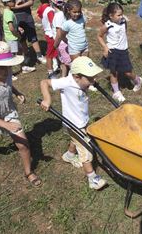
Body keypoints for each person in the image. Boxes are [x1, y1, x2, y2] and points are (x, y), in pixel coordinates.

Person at [0, 41, 42, 187]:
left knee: (24, 144)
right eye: (2, 68)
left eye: (8, 66)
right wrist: (6, 125)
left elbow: (8, 85)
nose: (6, 71)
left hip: (9, 113)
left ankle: (28, 172)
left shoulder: (7, 73)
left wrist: (17, 92)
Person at [39, 56, 107, 190]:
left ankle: (69, 155)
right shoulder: (67, 82)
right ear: (77, 77)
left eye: (93, 77)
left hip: (82, 120)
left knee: (76, 140)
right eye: (90, 78)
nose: (93, 81)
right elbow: (44, 82)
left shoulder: (80, 81)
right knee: (86, 150)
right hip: (74, 123)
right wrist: (47, 100)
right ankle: (92, 178)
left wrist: (90, 81)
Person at [97, 3, 142, 103]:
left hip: (123, 51)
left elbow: (123, 33)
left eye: (122, 14)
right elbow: (99, 36)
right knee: (113, 72)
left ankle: (137, 80)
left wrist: (124, 44)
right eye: (118, 15)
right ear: (111, 16)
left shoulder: (123, 21)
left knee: (127, 72)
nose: (121, 16)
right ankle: (116, 92)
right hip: (112, 51)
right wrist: (105, 47)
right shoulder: (107, 26)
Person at [6, 0, 46, 66]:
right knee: (22, 39)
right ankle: (27, 55)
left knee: (33, 37)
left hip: (27, 17)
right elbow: (6, 4)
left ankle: (39, 56)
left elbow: (31, 2)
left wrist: (20, 6)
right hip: (16, 19)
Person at [1, 0, 35, 77]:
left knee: (20, 51)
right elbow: (11, 27)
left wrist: (18, 28)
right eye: (13, 1)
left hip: (14, 37)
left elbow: (12, 25)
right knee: (11, 55)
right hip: (12, 38)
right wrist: (17, 34)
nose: (15, 2)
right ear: (7, 2)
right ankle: (9, 73)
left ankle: (23, 67)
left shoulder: (8, 11)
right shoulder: (8, 13)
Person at [36, 0, 59, 78]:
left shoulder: (41, 8)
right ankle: (50, 72)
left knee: (53, 52)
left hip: (47, 33)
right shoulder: (50, 10)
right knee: (49, 54)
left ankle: (55, 66)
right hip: (51, 34)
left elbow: (39, 14)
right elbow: (53, 22)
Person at [49, 0, 71, 77]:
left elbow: (59, 33)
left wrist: (55, 45)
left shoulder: (58, 15)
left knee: (70, 64)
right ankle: (63, 79)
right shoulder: (63, 14)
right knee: (63, 63)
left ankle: (85, 81)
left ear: (51, 3)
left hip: (62, 43)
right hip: (65, 42)